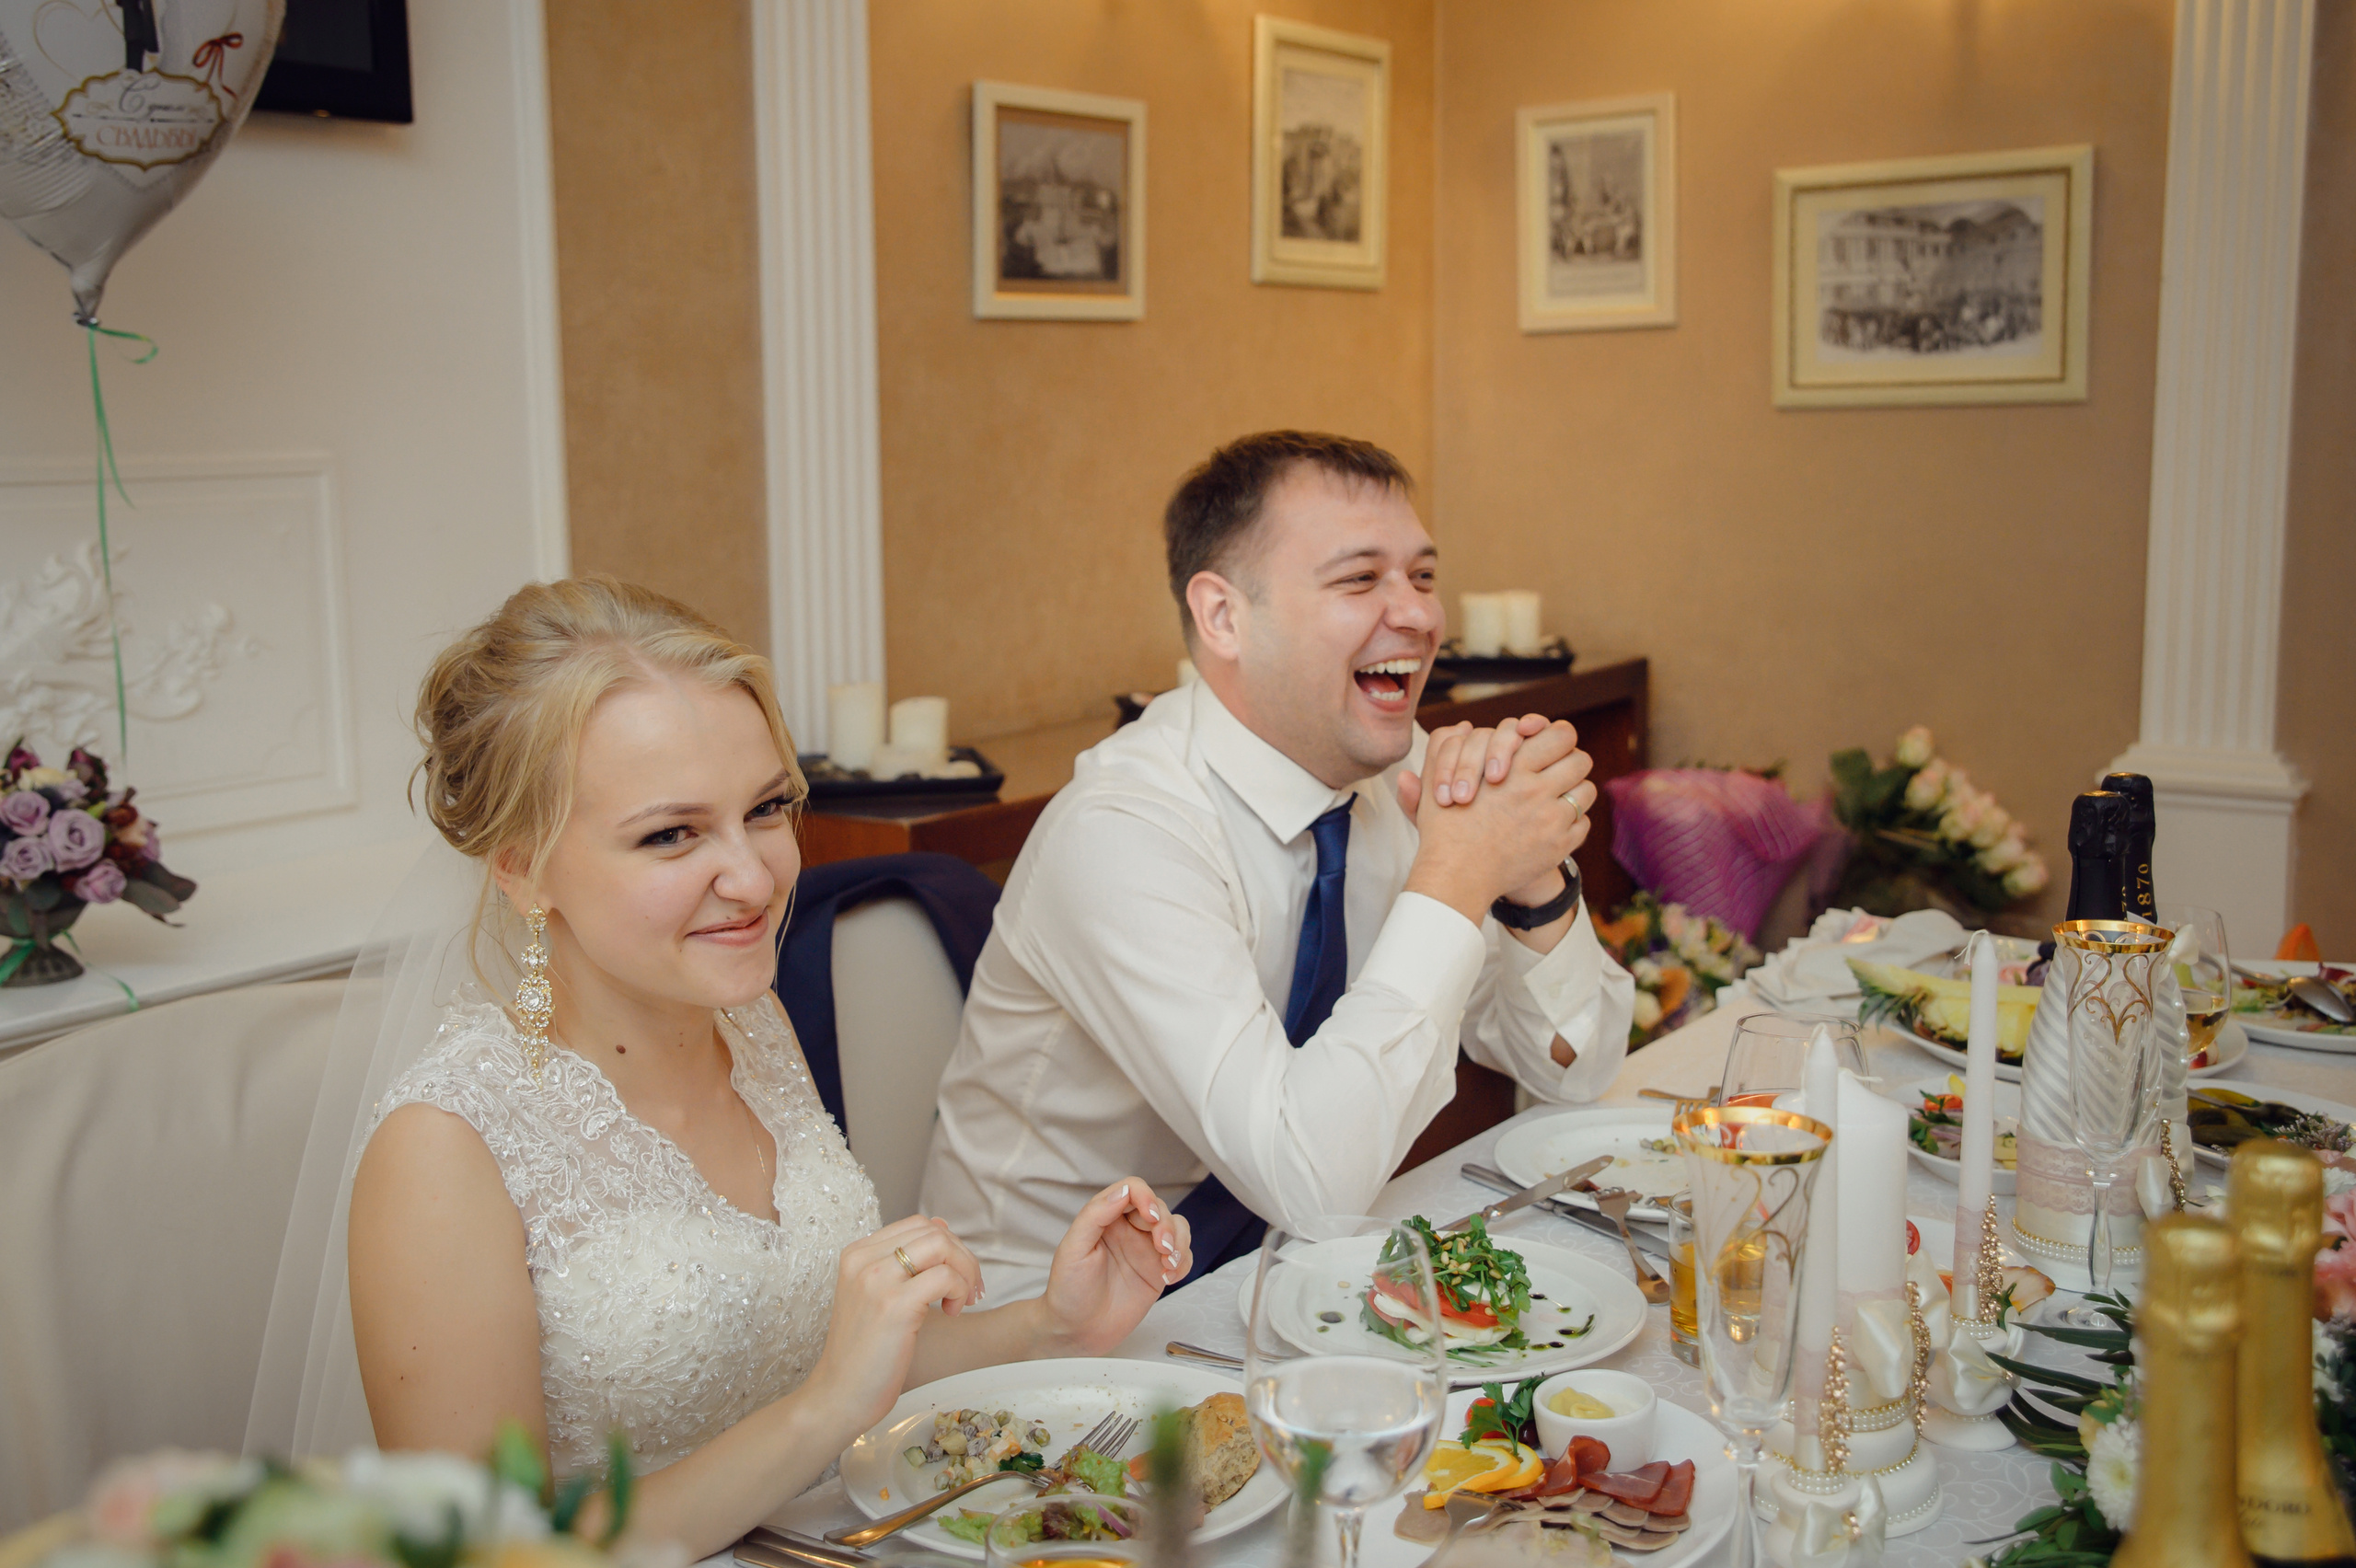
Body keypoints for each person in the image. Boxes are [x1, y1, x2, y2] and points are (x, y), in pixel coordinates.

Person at [259, 579, 1189, 1561]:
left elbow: (819, 1360)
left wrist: (1049, 1324)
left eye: (766, 810)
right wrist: (824, 1412)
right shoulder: (445, 1149)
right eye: (671, 834)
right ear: (522, 867)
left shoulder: (749, 1019)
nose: (752, 879)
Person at [920, 431, 1634, 1297]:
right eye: (1361, 579)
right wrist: (1454, 877)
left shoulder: (1399, 774)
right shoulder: (1124, 830)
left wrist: (1529, 882)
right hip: (1059, 1340)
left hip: (1294, 1283)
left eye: (1422, 576)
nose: (1416, 614)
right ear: (1224, 617)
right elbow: (1308, 1179)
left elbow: (1573, 1068)